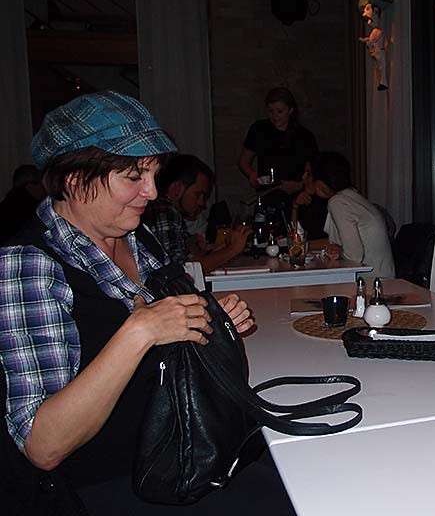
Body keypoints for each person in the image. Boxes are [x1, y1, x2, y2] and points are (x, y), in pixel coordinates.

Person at [0, 91, 293, 515]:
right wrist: (139, 331)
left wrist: (210, 319)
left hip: (184, 449)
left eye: (154, 174)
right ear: (75, 181)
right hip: (106, 484)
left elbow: (171, 338)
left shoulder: (137, 238)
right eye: (133, 176)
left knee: (305, 475)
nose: (152, 192)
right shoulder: (29, 265)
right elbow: (43, 446)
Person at [145, 154, 250, 273]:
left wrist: (216, 250)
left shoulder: (164, 210)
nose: (202, 203)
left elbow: (187, 261)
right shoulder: (166, 211)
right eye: (198, 194)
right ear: (176, 189)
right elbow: (182, 271)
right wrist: (232, 250)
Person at [309, 152, 395, 279]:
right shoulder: (350, 196)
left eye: (309, 174)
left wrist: (338, 251)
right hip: (381, 277)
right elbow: (336, 244)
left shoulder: (338, 202)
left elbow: (354, 256)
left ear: (321, 183)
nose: (304, 178)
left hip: (373, 281)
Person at [238, 87, 318, 215]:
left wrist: (299, 185)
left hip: (297, 199)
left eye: (279, 111)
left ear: (290, 110)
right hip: (267, 196)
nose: (274, 116)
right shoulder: (259, 129)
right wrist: (252, 174)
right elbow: (243, 161)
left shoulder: (305, 136)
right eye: (271, 111)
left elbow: (311, 172)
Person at [0, 164, 46, 243]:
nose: (44, 188)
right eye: (41, 184)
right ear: (30, 186)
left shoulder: (7, 204)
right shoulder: (26, 210)